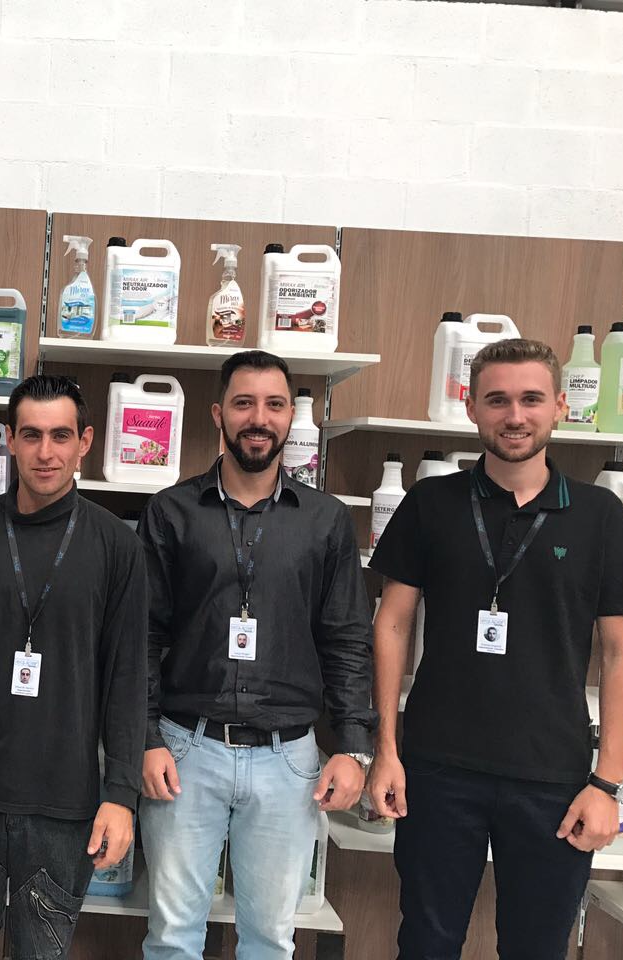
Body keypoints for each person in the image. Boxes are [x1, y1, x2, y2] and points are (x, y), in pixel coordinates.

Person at [367, 338, 623, 960]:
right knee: (427, 943)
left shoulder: (600, 515)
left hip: (554, 779)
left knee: (536, 948)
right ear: (471, 407)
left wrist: (607, 783)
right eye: (497, 400)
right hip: (437, 770)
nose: (515, 415)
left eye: (531, 399)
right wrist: (386, 749)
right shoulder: (431, 504)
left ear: (560, 406)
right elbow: (392, 625)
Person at [139, 350, 375, 960]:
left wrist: (352, 746)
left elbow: (347, 638)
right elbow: (143, 635)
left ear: (291, 416)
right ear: (218, 413)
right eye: (244, 403)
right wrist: (145, 736)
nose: (259, 418)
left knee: (270, 940)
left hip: (288, 759)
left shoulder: (325, 520)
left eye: (274, 405)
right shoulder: (171, 511)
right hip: (185, 750)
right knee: (171, 936)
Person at [0, 374, 147, 960]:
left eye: (60, 436)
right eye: (31, 435)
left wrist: (121, 795)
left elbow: (127, 679)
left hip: (66, 806)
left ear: (85, 442)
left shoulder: (116, 545)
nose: (46, 452)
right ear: (10, 440)